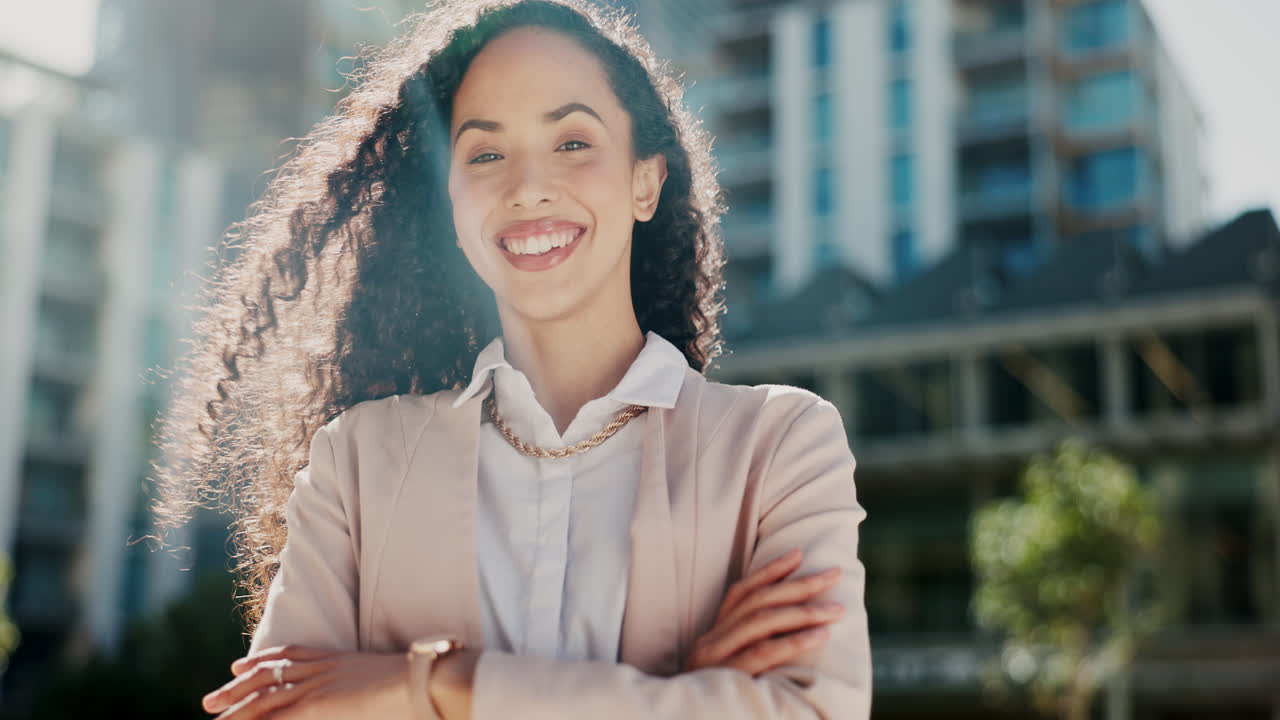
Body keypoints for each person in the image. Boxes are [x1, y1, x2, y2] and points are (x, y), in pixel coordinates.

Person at [152, 0, 871, 717]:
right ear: (450, 205)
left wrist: (434, 684)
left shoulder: (779, 447)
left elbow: (810, 713)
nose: (527, 187)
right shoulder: (358, 463)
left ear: (645, 181)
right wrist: (679, 693)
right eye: (486, 154)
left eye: (573, 143)